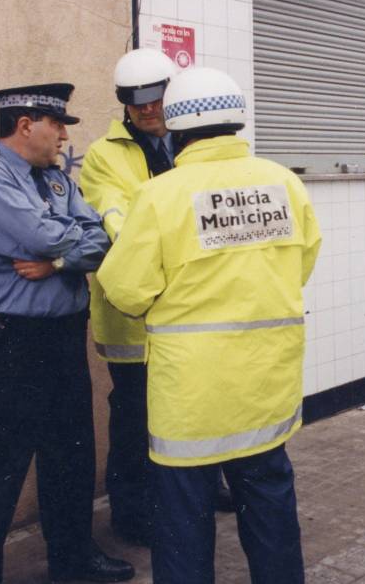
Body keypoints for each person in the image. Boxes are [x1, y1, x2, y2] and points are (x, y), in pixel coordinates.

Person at [97, 68, 321, 584]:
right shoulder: (285, 183)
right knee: (271, 517)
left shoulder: (160, 196)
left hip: (190, 403)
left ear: (176, 131)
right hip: (266, 389)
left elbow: (125, 289)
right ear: (236, 122)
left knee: (183, 529)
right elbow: (301, 264)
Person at [0, 84, 134, 584]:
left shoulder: (57, 181)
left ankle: (74, 559)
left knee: (70, 455)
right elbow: (40, 235)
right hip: (6, 340)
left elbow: (101, 240)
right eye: (58, 125)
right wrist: (63, 242)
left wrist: (60, 261)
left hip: (61, 336)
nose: (65, 136)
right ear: (26, 125)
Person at [79, 48, 177, 546]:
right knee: (133, 416)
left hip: (186, 310)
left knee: (190, 407)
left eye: (153, 99)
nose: (146, 110)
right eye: (134, 102)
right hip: (133, 320)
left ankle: (210, 487)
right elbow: (114, 216)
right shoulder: (104, 154)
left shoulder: (192, 140)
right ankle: (131, 512)